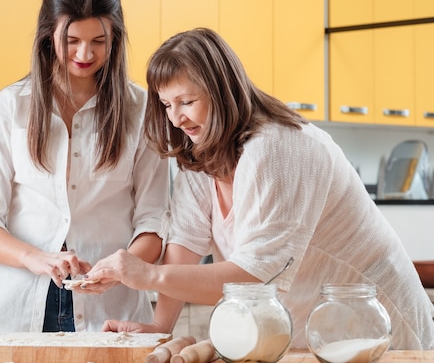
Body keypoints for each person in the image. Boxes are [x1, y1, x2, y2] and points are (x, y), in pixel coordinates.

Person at [85, 27, 434, 350]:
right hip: (309, 334)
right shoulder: (201, 149)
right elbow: (185, 242)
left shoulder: (278, 149)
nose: (176, 118)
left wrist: (148, 274)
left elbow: (256, 278)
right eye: (166, 105)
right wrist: (160, 326)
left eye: (187, 102)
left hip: (380, 330)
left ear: (222, 91)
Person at [0, 0, 169, 339]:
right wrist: (36, 258)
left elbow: (154, 223)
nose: (85, 53)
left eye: (99, 41)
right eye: (71, 39)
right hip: (19, 307)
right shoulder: (11, 108)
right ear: (48, 35)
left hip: (112, 310)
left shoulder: (141, 110)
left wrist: (123, 267)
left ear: (115, 39)